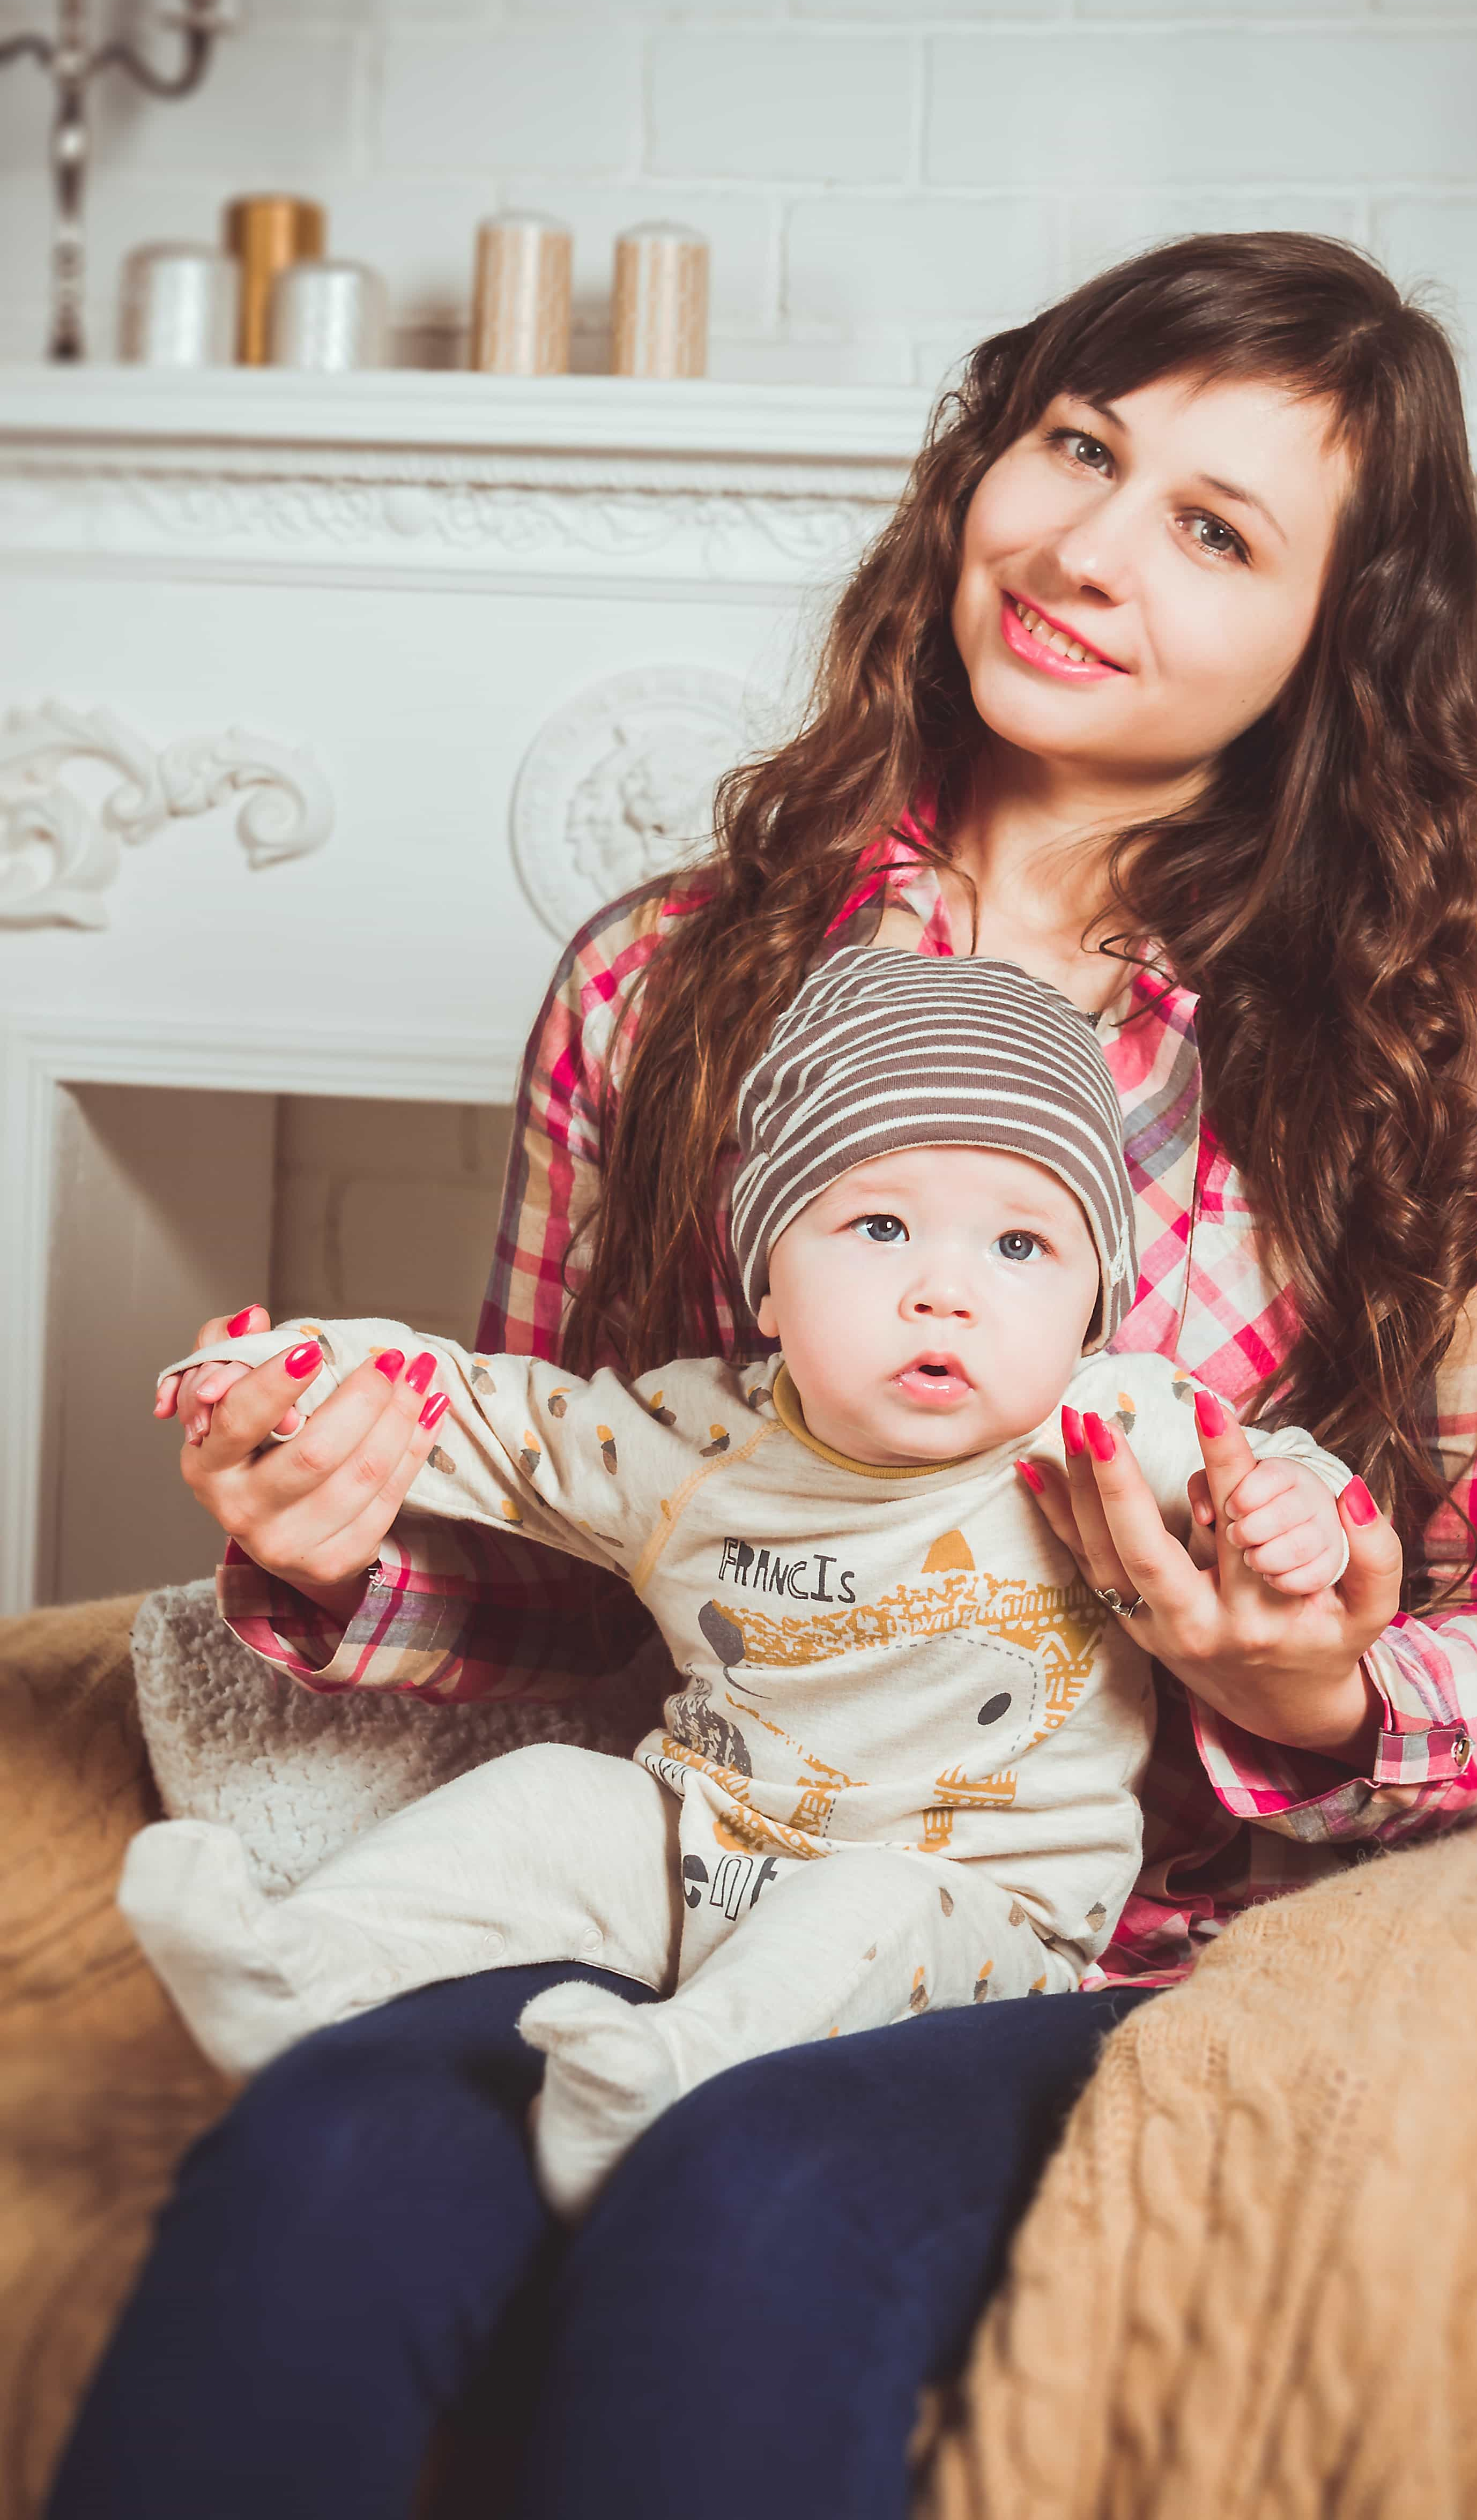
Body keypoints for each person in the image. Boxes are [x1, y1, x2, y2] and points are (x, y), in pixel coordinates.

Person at [52, 234, 1477, 2520]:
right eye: (1077, 447)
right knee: (326, 2165)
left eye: (1213, 526)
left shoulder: (1451, 1054)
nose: (1088, 546)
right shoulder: (664, 980)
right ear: (986, 453)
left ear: (1333, 640)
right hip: (697, 1841)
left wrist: (1310, 1691)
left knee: (748, 2209)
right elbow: (597, 1550)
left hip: (1075, 1930)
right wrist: (338, 1540)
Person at [125, 946, 1353, 2211]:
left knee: (864, 1903)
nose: (945, 1291)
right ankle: (297, 1966)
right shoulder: (691, 1438)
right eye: (878, 1227)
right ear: (767, 1280)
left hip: (970, 1915)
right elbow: (484, 1412)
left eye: (1022, 1244)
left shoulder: (1111, 1427)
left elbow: (1257, 1470)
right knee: (550, 1793)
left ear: (1096, 1301)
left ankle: (666, 2076)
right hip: (703, 1849)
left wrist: (1291, 1512)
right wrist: (302, 1370)